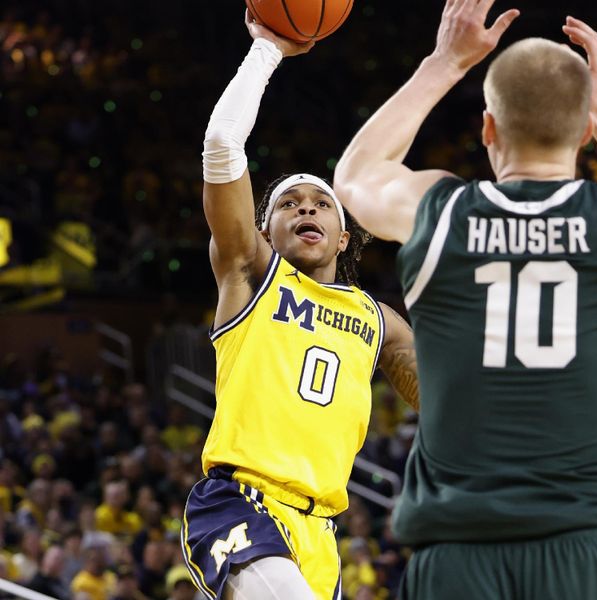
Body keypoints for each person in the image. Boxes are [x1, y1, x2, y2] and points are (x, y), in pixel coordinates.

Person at [334, 0, 597, 598]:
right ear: (584, 132)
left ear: (488, 128)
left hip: (456, 560)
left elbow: (354, 176)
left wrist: (444, 62)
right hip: (588, 555)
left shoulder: (443, 210)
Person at [181, 10, 419, 600]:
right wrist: (266, 50)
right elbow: (221, 143)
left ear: (343, 237)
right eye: (291, 204)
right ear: (264, 227)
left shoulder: (378, 321)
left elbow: (450, 397)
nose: (307, 210)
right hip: (240, 505)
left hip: (321, 535)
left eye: (321, 204)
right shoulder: (249, 273)